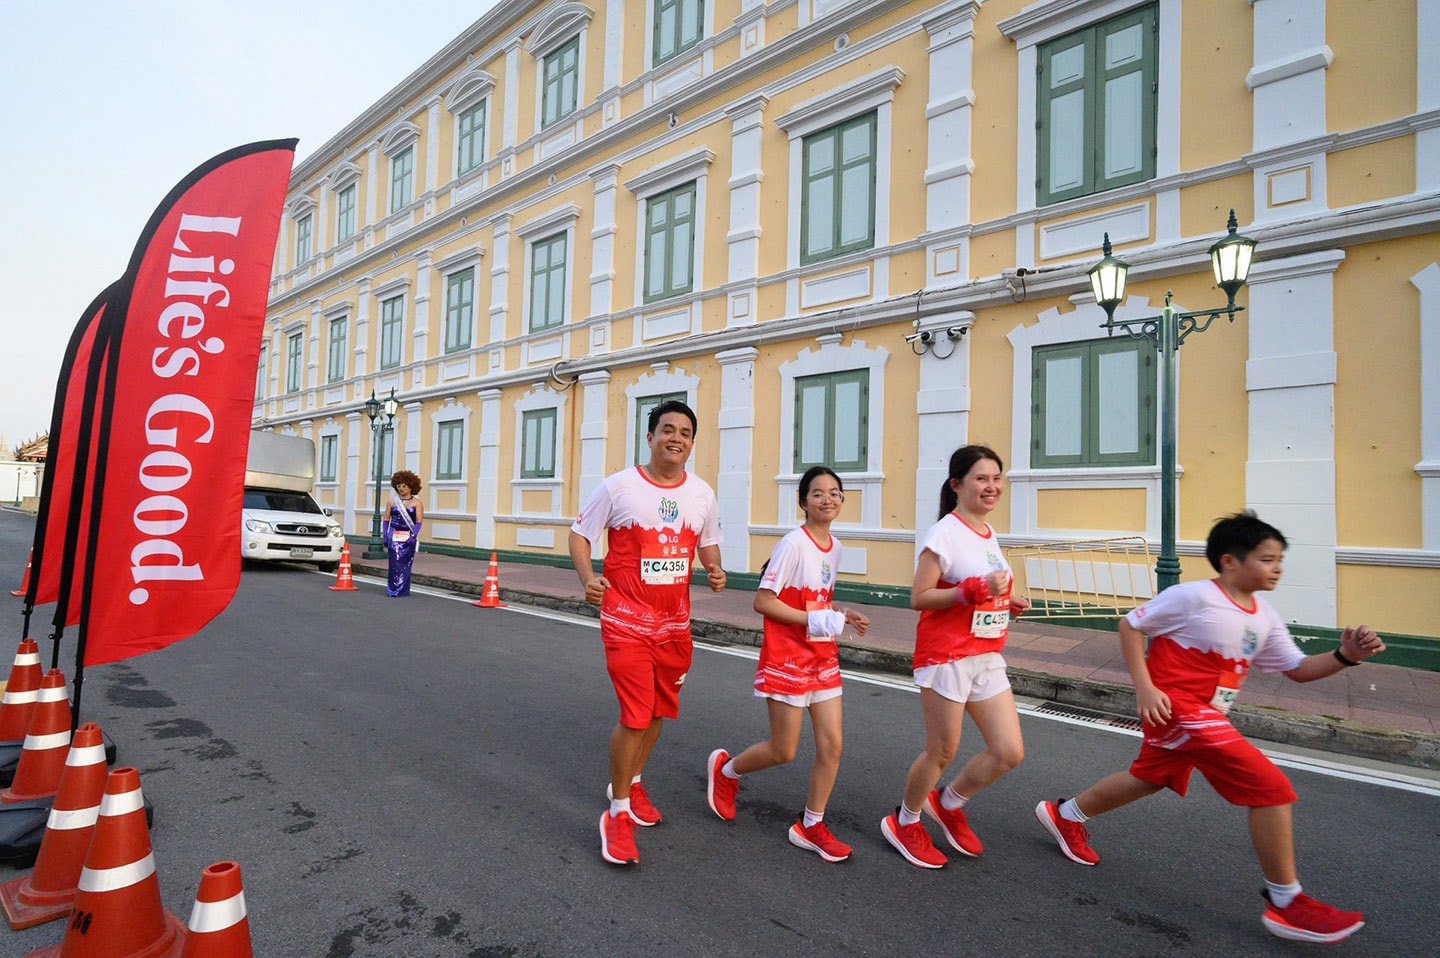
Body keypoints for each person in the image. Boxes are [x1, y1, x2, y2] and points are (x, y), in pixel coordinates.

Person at [1034, 511, 1384, 944]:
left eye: (1279, 560)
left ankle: (1064, 814)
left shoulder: (1265, 616)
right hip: (1179, 709)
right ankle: (1287, 901)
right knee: (1270, 786)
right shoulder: (1194, 596)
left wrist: (1345, 655)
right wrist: (1144, 687)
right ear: (1230, 561)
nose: (1277, 568)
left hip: (1206, 715)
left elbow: (1295, 668)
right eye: (1267, 559)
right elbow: (1131, 624)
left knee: (1151, 778)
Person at [568, 399, 725, 866]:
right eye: (667, 430)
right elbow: (580, 534)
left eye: (685, 433)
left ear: (692, 444)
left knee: (657, 713)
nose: (676, 438)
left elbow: (707, 542)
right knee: (635, 715)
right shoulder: (619, 487)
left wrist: (714, 569)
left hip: (675, 625)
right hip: (625, 620)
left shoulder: (701, 493)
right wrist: (587, 578)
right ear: (651, 436)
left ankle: (632, 783)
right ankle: (616, 813)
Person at [705, 466, 871, 862]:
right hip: (788, 658)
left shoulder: (835, 546)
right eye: (818, 493)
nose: (828, 499)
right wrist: (816, 619)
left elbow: (814, 600)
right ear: (803, 502)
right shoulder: (793, 544)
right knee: (783, 750)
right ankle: (726, 772)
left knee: (832, 746)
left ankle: (810, 825)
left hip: (822, 656)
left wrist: (840, 615)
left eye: (835, 492)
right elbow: (764, 601)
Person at [881, 444, 1032, 869]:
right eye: (981, 479)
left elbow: (984, 587)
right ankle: (904, 820)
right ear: (957, 485)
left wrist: (1006, 601)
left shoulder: (987, 532)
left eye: (996, 478)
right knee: (942, 750)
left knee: (1008, 752)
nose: (991, 487)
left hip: (985, 654)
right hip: (946, 656)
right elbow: (920, 597)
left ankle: (948, 802)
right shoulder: (944, 533)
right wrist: (974, 591)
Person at [382, 470, 423, 597]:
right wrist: (385, 534)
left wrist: (414, 535)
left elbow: (419, 521)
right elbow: (386, 519)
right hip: (394, 536)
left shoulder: (417, 503)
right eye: (399, 486)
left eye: (404, 486)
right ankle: (393, 589)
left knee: (405, 564)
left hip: (408, 538)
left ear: (411, 487)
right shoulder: (392, 502)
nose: (401, 489)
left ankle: (403, 589)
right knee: (394, 563)